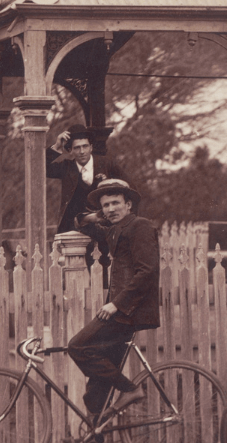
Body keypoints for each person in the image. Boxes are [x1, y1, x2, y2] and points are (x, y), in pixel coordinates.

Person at [68, 179, 159, 422]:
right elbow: (80, 224)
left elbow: (147, 271)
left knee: (77, 346)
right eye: (106, 205)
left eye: (116, 203)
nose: (111, 209)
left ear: (129, 204)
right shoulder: (115, 229)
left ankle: (130, 390)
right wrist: (92, 216)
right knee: (97, 387)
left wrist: (116, 303)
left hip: (129, 310)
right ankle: (96, 433)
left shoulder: (140, 226)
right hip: (123, 310)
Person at [47, 125, 126, 267]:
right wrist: (57, 146)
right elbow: (41, 168)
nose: (82, 151)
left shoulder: (107, 164)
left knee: (104, 266)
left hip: (104, 225)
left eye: (85, 146)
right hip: (75, 227)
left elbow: (129, 189)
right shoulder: (67, 167)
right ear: (70, 150)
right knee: (74, 270)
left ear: (91, 147)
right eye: (77, 148)